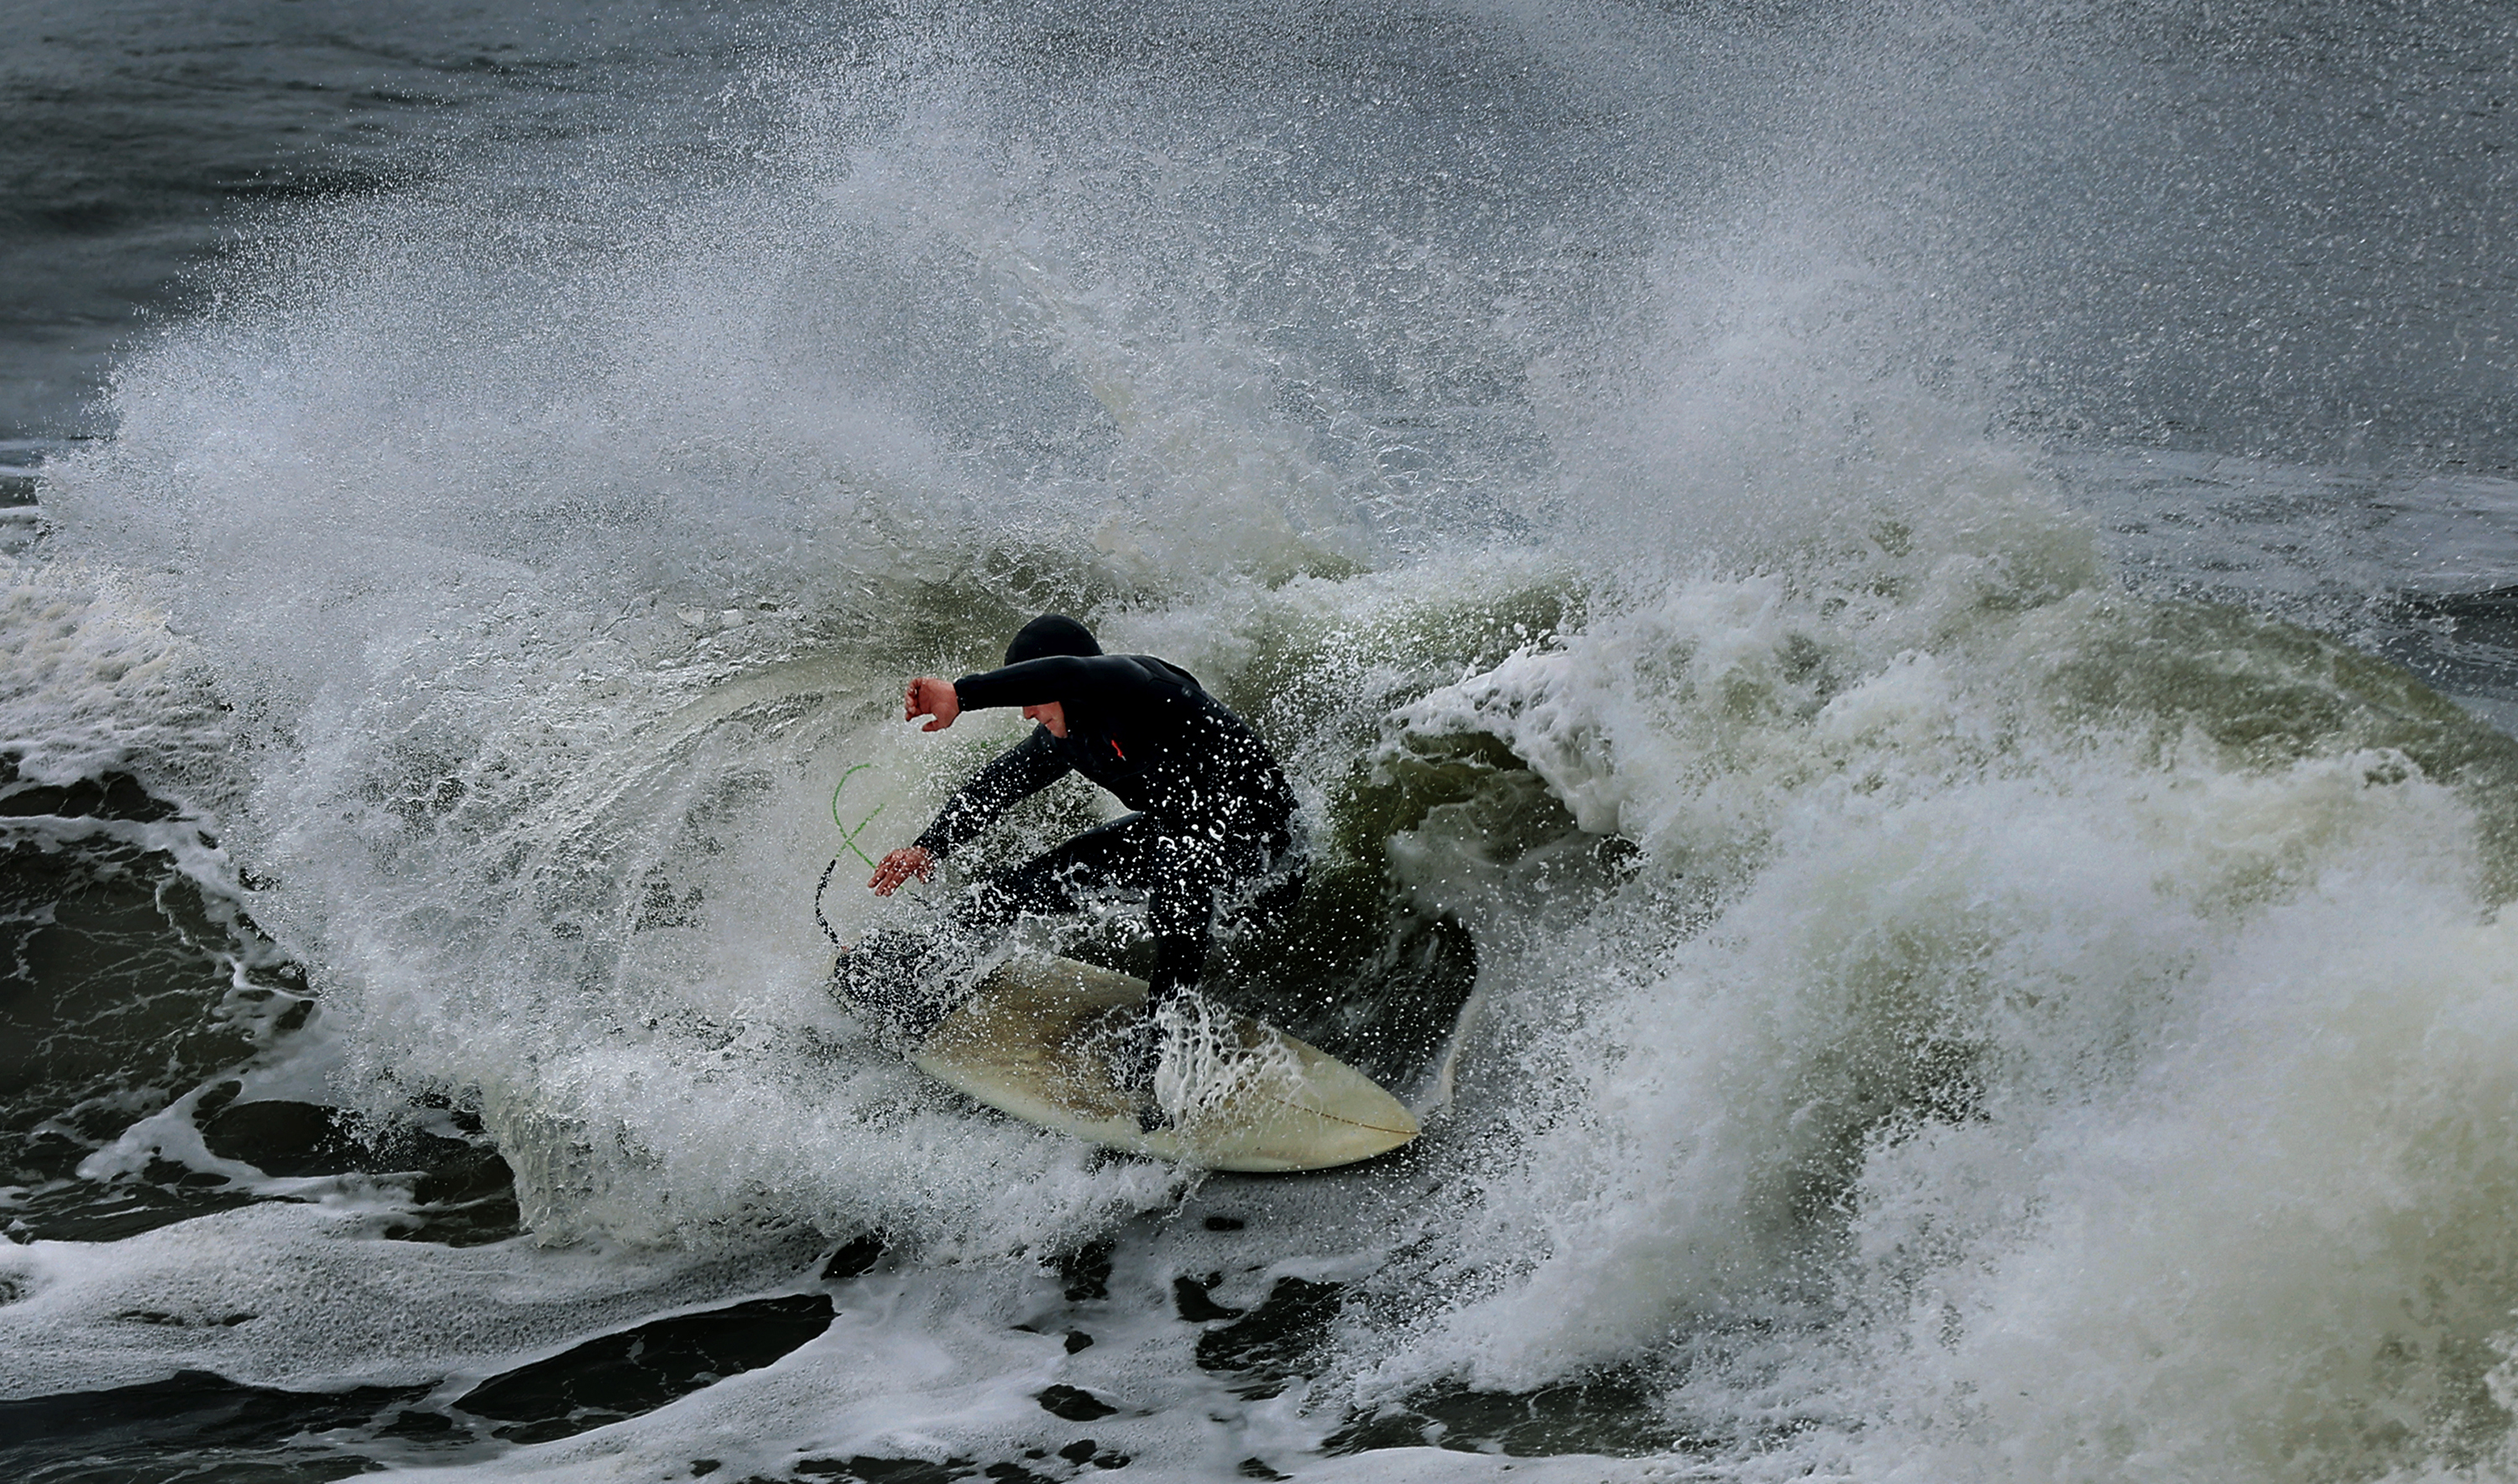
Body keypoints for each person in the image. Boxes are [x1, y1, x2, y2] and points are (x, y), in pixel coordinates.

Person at [848, 614, 1304, 1084]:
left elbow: (1072, 673)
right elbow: (998, 786)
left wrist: (963, 695)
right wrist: (928, 847)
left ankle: (1165, 1046)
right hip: (1182, 836)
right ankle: (913, 970)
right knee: (1026, 885)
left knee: (1178, 861)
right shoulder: (1068, 736)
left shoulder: (1139, 684)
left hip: (1265, 851)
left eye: (1030, 696)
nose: (1026, 713)